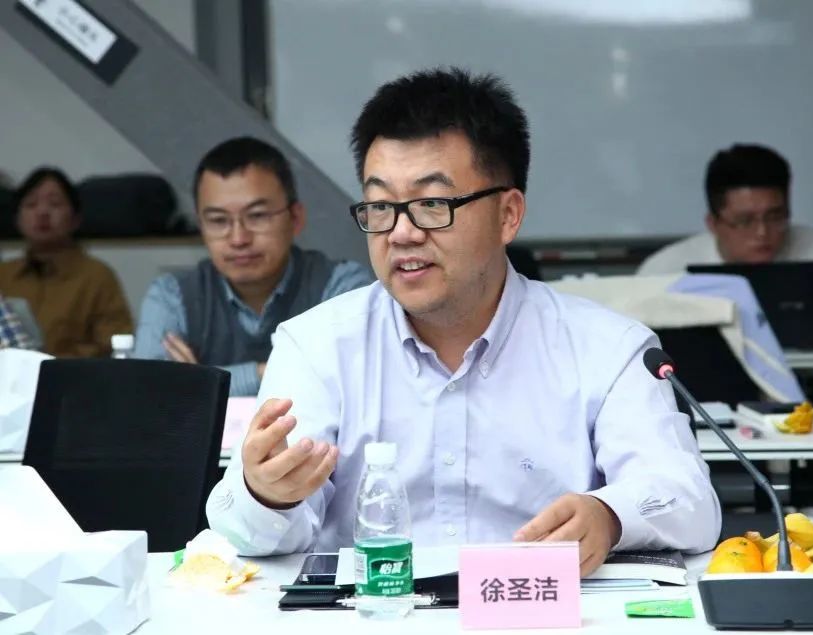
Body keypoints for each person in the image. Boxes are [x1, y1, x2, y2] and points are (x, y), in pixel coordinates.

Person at [207, 68, 721, 575]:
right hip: (374, 612)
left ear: (508, 214)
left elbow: (690, 500)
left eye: (432, 204)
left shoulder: (608, 348)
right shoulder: (316, 346)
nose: (401, 233)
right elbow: (243, 533)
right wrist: (267, 496)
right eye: (381, 206)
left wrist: (609, 517)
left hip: (542, 612)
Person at [133, 137, 373, 396]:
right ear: (201, 226)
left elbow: (354, 380)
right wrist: (268, 372)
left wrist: (199, 382)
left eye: (257, 216)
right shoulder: (171, 295)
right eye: (218, 220)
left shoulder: (341, 285)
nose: (239, 239)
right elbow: (148, 391)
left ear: (295, 218)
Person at [638, 144, 813, 342]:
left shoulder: (810, 243)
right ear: (713, 223)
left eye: (775, 217)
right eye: (745, 221)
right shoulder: (665, 268)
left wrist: (724, 328)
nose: (762, 232)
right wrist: (794, 323)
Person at [0, 168, 132, 357]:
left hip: (77, 373)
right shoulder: (3, 275)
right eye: (31, 204)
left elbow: (114, 344)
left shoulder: (97, 276)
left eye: (55, 204)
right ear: (17, 219)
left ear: (76, 219)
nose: (42, 212)